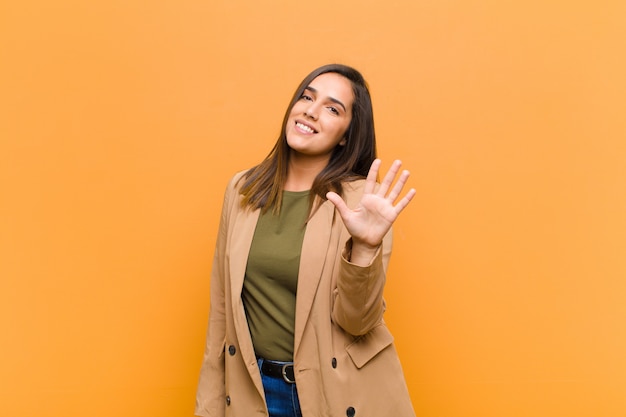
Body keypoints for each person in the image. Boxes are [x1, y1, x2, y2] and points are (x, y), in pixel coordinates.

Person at [195, 64, 417, 417]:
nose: (311, 111)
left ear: (346, 135)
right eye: (307, 96)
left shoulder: (362, 203)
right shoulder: (242, 189)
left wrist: (365, 247)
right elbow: (220, 313)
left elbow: (357, 322)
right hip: (255, 392)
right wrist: (207, 407)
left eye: (332, 108)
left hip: (336, 393)